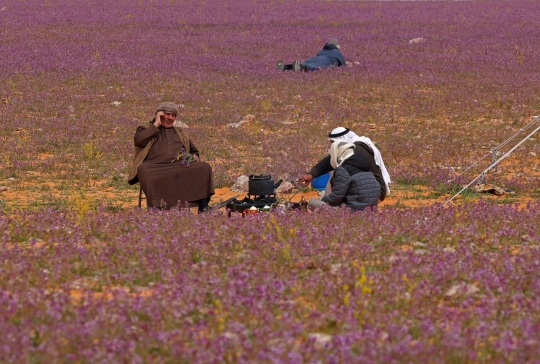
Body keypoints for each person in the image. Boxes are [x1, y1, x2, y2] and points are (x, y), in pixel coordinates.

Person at [128, 102, 214, 212]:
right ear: (159, 115)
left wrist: (194, 156)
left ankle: (204, 207)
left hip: (179, 166)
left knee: (204, 167)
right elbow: (139, 141)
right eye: (167, 114)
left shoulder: (180, 132)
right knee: (143, 169)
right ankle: (156, 208)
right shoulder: (145, 128)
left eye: (173, 115)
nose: (170, 118)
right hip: (155, 167)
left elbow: (194, 150)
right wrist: (156, 124)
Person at [298, 127, 391, 202]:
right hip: (374, 194)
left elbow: (333, 167)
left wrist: (327, 200)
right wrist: (311, 175)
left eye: (333, 143)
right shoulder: (354, 149)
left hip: (366, 197)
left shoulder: (354, 152)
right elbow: (329, 161)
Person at [307, 141, 380, 211]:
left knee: (312, 202)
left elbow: (336, 198)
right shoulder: (365, 167)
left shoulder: (343, 170)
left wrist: (323, 199)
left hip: (352, 211)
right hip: (371, 210)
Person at [276, 38, 346, 72]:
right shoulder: (337, 52)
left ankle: (284, 67)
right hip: (325, 62)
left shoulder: (322, 50)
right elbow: (343, 66)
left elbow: (318, 56)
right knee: (313, 67)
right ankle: (299, 67)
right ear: (337, 46)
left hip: (313, 59)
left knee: (305, 64)